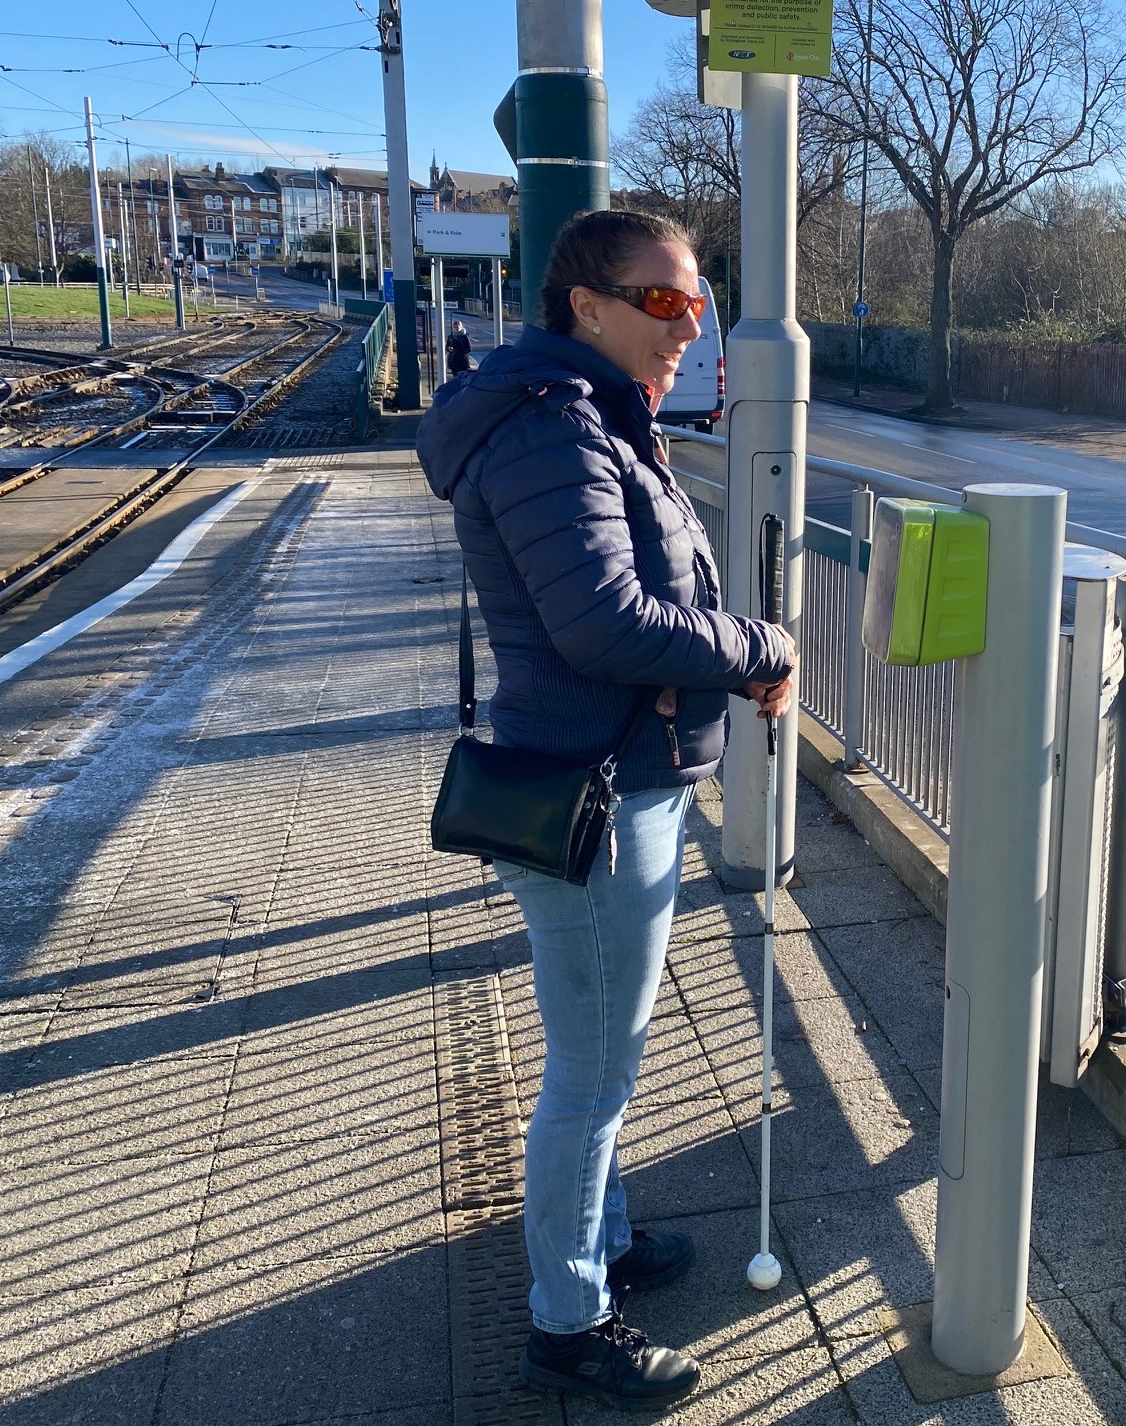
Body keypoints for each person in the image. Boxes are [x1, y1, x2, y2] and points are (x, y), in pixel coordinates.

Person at [416, 210, 794, 1412]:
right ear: (587, 305)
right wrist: (755, 647)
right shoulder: (550, 429)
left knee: (605, 1056)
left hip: (619, 773)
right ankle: (571, 1319)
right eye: (667, 302)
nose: (690, 326)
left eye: (698, 303)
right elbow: (604, 623)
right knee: (591, 1071)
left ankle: (608, 1237)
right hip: (597, 786)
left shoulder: (590, 417)